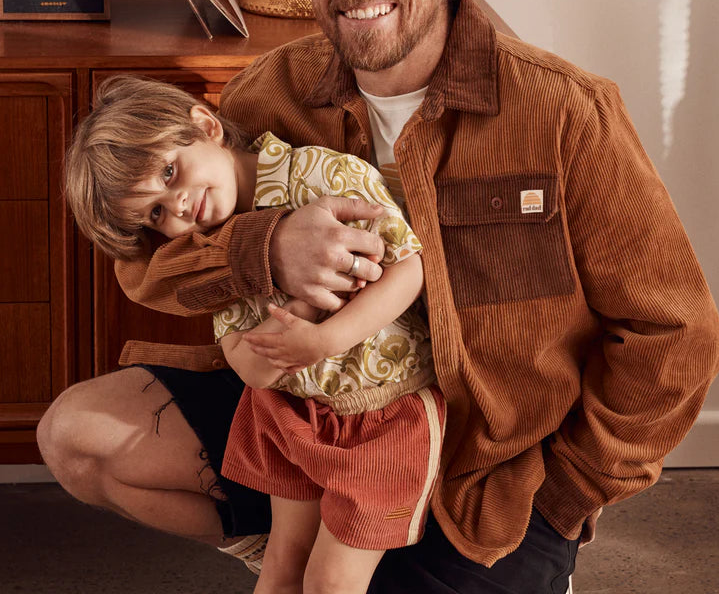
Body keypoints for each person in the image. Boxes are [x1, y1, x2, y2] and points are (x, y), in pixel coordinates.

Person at [38, 0, 719, 593]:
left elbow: (677, 334)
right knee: (79, 436)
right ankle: (318, 528)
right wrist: (267, 246)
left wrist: (565, 498)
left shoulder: (565, 110)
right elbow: (144, 264)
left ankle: (391, 552)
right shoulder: (269, 96)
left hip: (485, 471)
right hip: (317, 408)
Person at [59, 74, 445, 594]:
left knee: (331, 580)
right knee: (282, 562)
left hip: (384, 414)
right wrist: (285, 329)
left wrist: (325, 340)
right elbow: (248, 362)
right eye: (156, 213)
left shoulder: (320, 174)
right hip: (293, 417)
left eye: (170, 172)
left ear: (206, 125)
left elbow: (409, 268)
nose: (178, 206)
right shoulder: (211, 250)